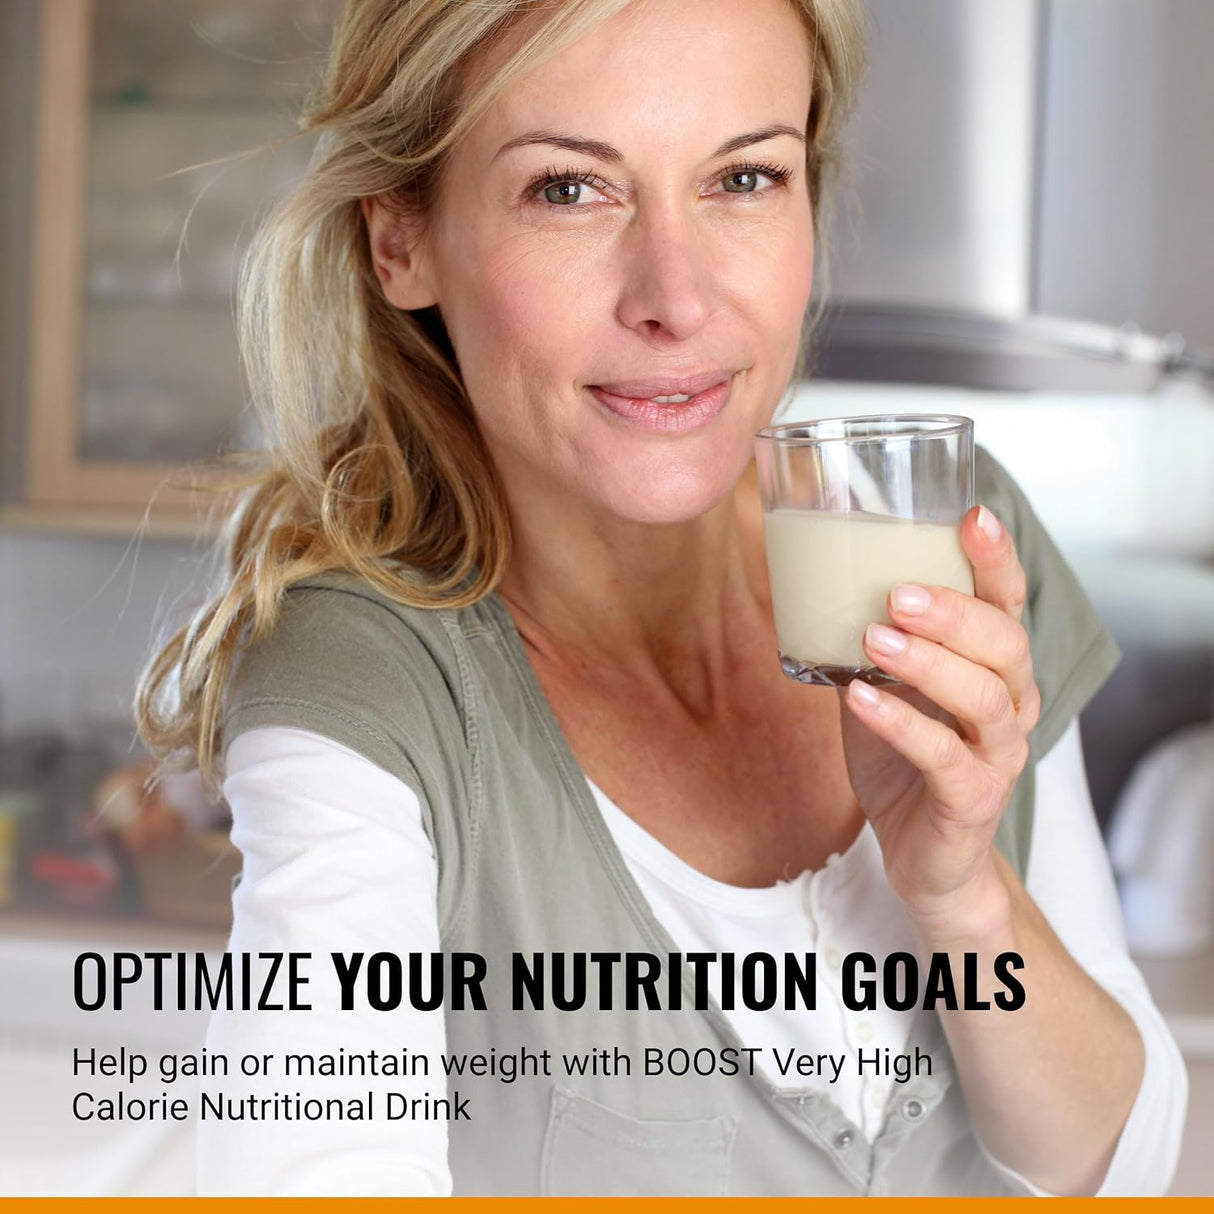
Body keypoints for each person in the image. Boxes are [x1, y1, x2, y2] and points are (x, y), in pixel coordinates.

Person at [136, 0, 1187, 1196]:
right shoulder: (364, 691)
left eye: (742, 176)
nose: (675, 298)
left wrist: (960, 894)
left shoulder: (929, 539)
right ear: (400, 241)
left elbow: (1121, 1160)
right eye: (568, 191)